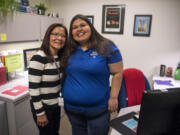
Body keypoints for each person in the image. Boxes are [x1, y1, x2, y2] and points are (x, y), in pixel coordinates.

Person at [61, 14, 123, 135]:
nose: (79, 29)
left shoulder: (106, 46)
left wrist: (114, 97)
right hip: (72, 110)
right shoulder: (68, 49)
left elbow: (117, 73)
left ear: (90, 27)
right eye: (74, 27)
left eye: (83, 25)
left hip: (98, 110)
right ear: (71, 32)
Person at [28, 23, 68, 135]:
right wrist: (40, 113)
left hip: (55, 105)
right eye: (55, 34)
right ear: (48, 36)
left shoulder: (59, 57)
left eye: (63, 35)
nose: (59, 38)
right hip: (43, 107)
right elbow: (33, 89)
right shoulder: (39, 58)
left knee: (55, 131)